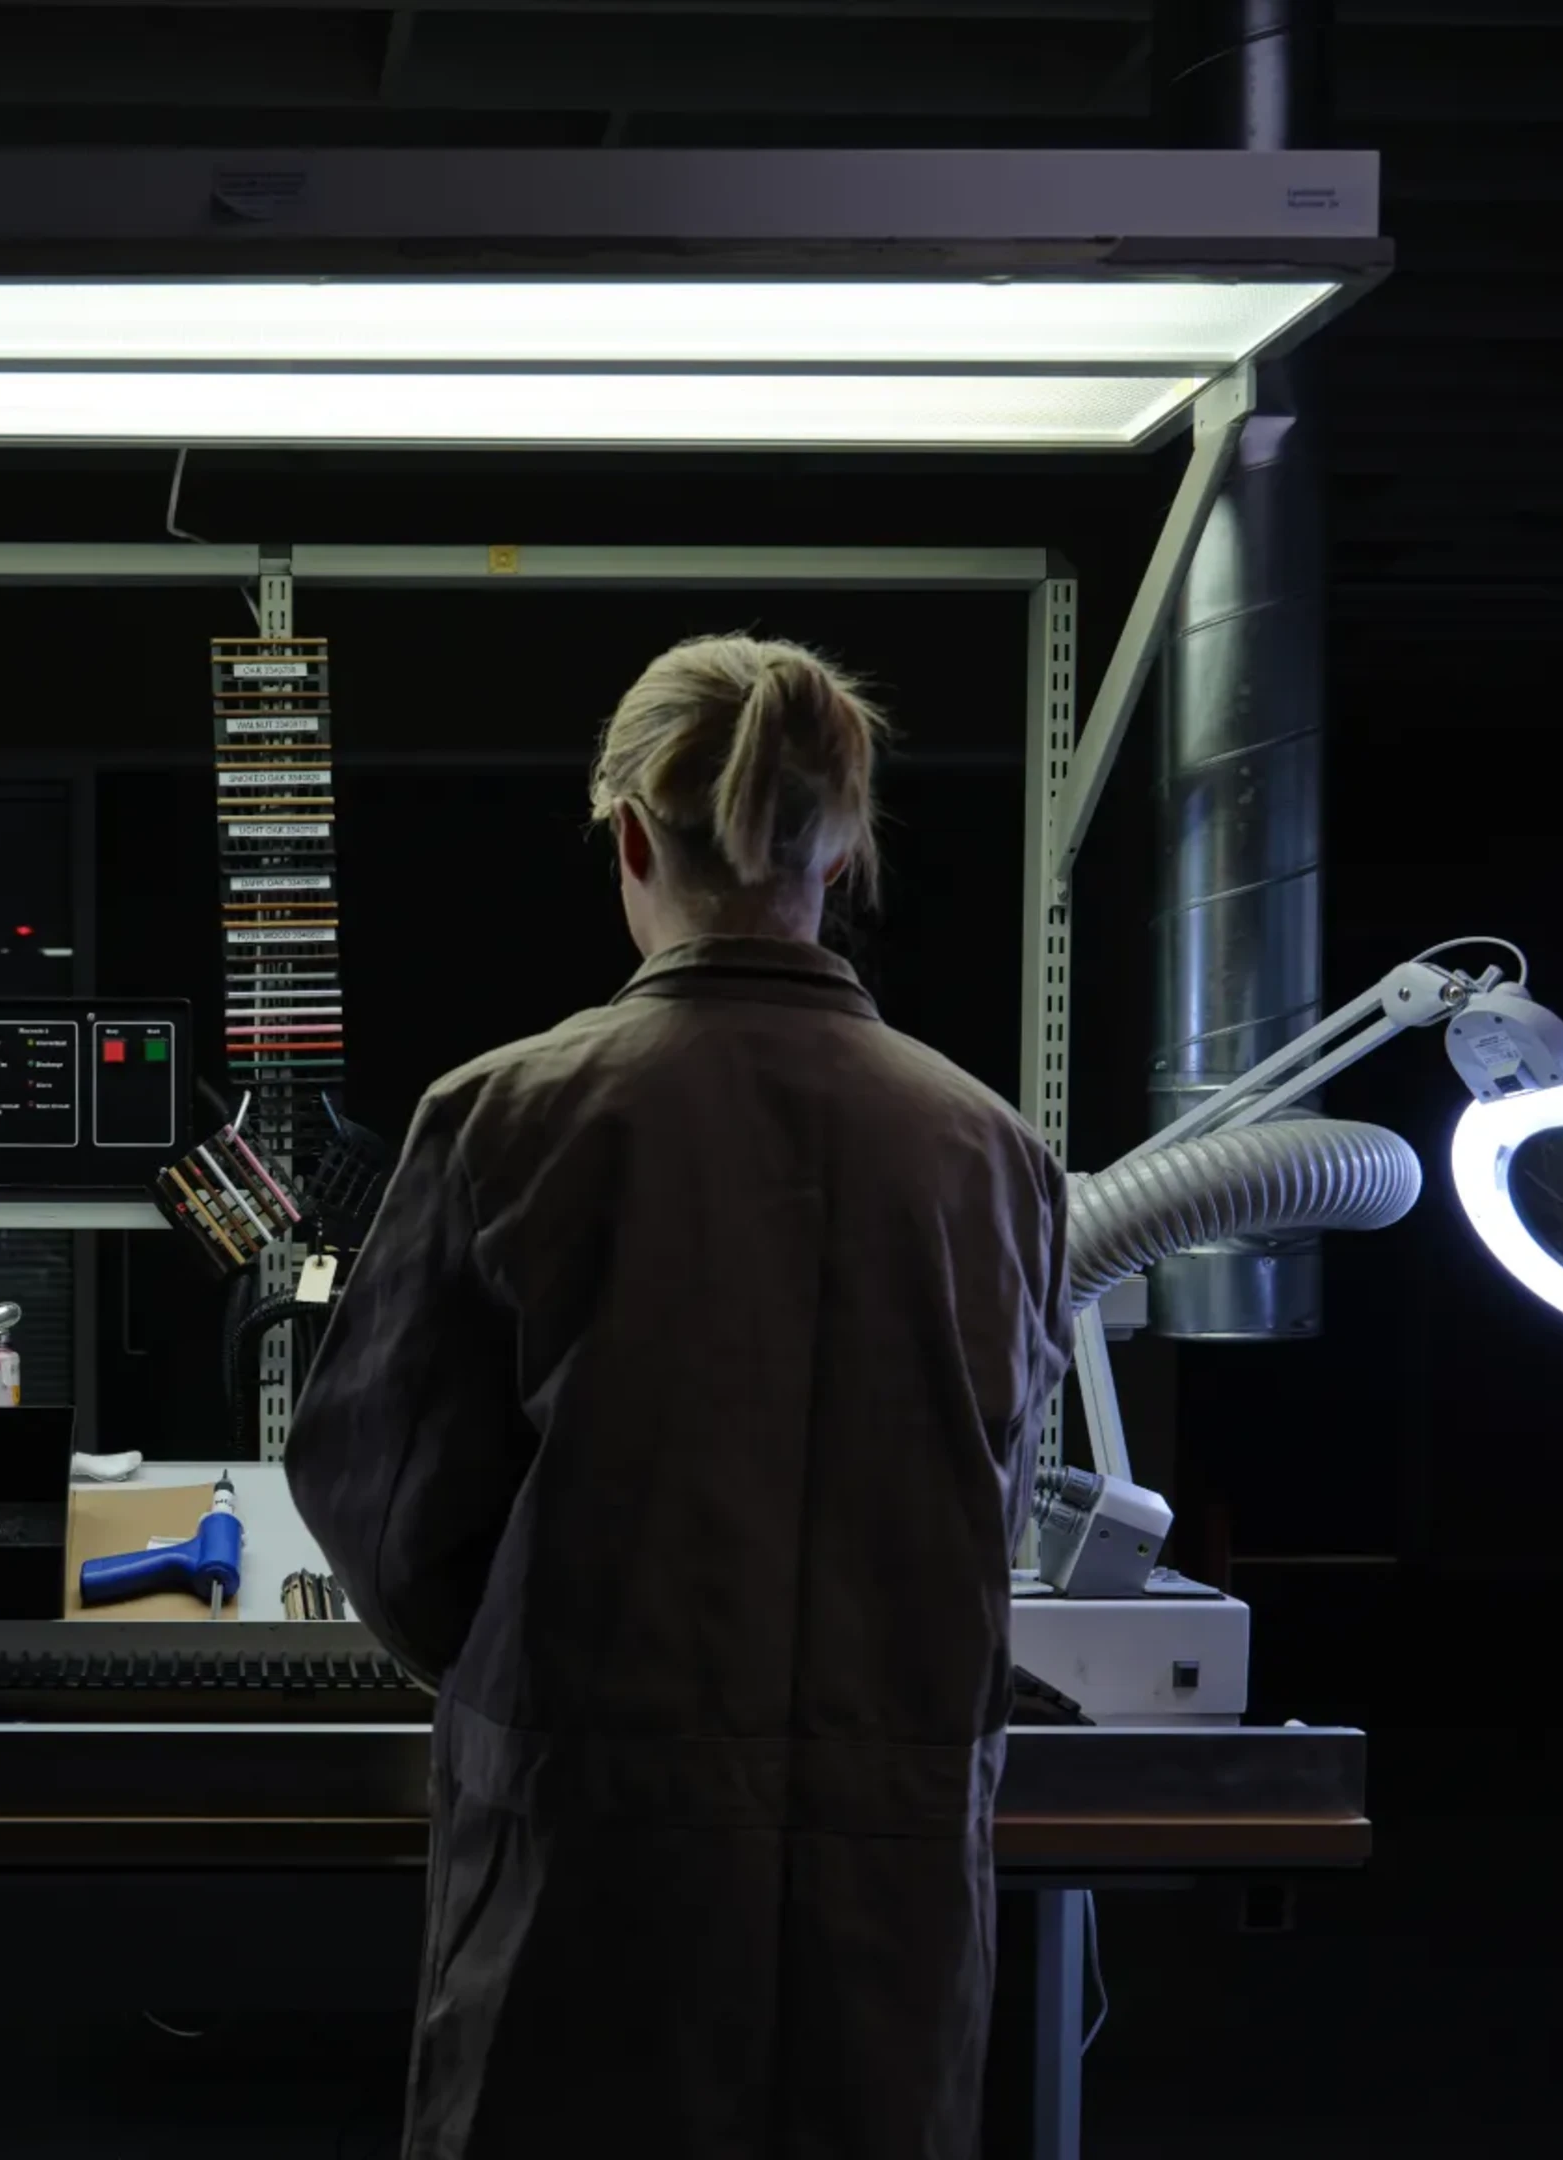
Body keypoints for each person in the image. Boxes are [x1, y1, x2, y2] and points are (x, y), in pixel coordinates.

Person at [286, 634, 1071, 2160]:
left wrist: (548, 1670)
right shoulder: (993, 1156)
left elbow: (379, 1503)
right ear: (840, 854)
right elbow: (994, 1500)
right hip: (888, 1872)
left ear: (632, 836)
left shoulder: (506, 1116)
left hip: (593, 1861)